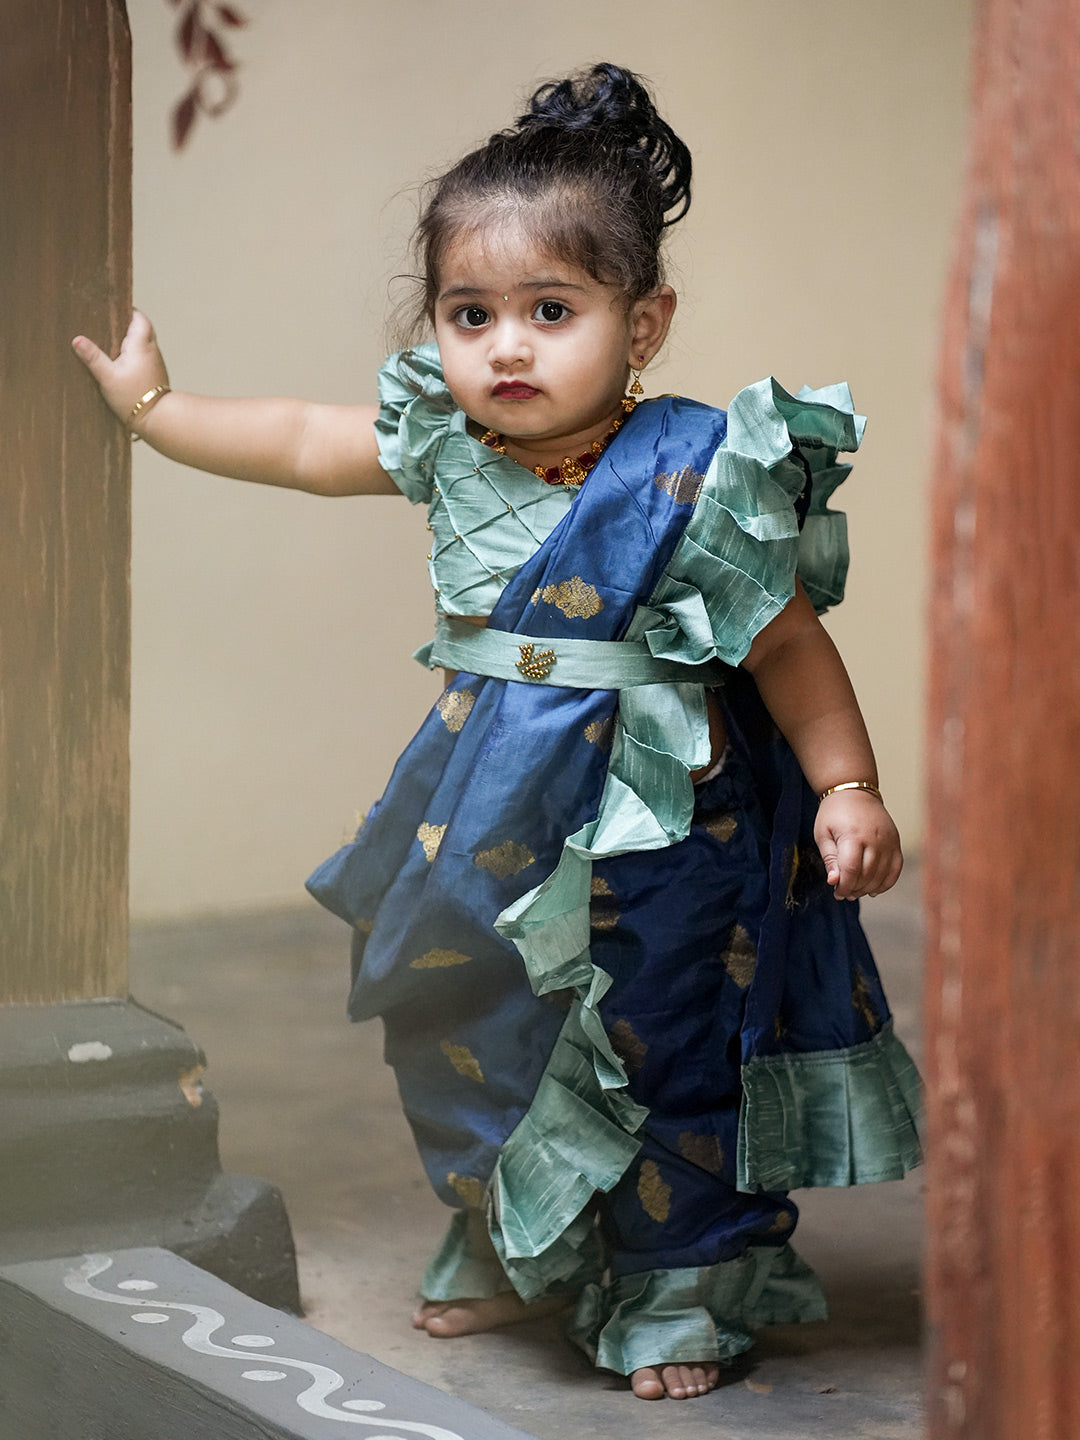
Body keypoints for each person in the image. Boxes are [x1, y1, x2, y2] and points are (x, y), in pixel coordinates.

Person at [73, 62, 920, 1404]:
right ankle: (511, 1233)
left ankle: (672, 1286)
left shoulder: (699, 467)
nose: (505, 347)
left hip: (661, 828)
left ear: (645, 325)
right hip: (484, 808)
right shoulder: (450, 446)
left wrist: (848, 783)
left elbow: (788, 644)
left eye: (550, 310)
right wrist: (157, 413)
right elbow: (298, 435)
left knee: (664, 1042)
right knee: (469, 1013)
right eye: (471, 314)